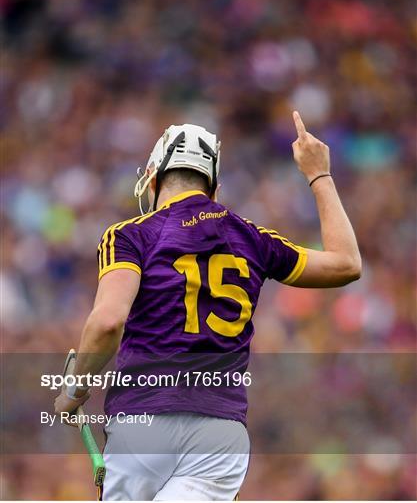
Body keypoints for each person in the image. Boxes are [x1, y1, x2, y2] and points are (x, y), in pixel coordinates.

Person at [54, 111, 361, 500]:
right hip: (221, 432)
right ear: (213, 188)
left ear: (152, 177)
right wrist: (320, 174)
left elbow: (108, 322)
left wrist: (75, 389)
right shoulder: (252, 237)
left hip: (144, 417)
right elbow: (347, 263)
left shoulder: (130, 235)